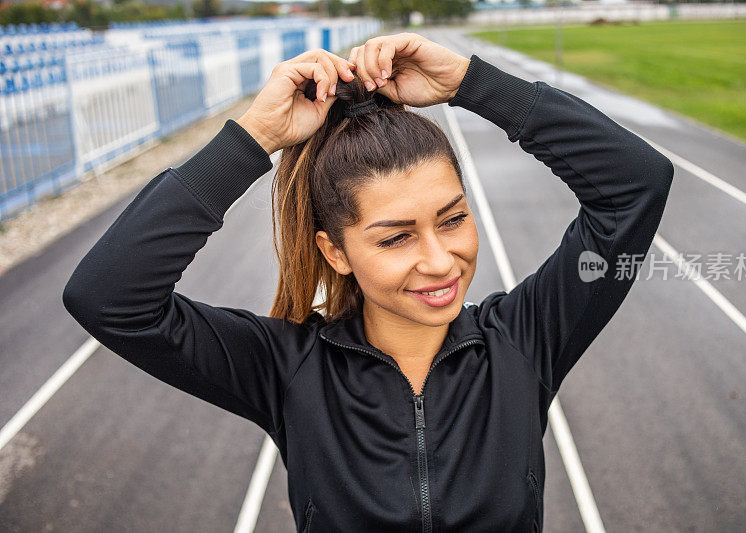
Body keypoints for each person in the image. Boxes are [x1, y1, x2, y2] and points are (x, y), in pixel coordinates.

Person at [63, 33, 674, 533]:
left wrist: (470, 84)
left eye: (453, 219)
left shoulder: (525, 340)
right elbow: (109, 298)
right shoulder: (286, 369)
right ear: (336, 251)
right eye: (395, 237)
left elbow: (636, 183)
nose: (441, 262)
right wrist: (253, 138)